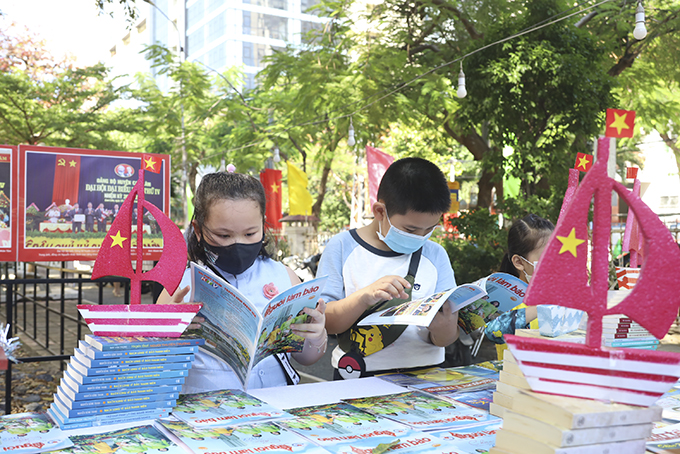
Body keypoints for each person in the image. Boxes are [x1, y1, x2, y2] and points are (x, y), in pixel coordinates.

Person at [158, 170, 327, 392]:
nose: (237, 244)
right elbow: (154, 359)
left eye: (250, 234)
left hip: (275, 403)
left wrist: (316, 335)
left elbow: (305, 358)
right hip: (204, 408)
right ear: (198, 230)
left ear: (263, 226)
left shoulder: (284, 276)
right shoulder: (180, 284)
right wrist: (168, 331)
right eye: (224, 235)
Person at [318, 157, 459, 379]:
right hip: (357, 374)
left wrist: (442, 326)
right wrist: (364, 297)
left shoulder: (435, 254)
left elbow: (447, 337)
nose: (420, 238)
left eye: (429, 229)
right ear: (380, 212)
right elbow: (326, 321)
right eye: (411, 230)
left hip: (426, 375)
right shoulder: (342, 247)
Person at [484, 213, 554, 356]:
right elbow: (493, 331)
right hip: (515, 375)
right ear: (519, 262)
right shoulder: (504, 297)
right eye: (546, 258)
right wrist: (542, 306)